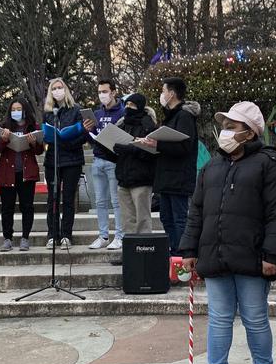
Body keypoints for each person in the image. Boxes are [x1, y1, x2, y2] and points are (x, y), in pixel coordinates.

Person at [179, 102, 276, 364]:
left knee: (255, 319)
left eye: (233, 126)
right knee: (219, 320)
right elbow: (196, 211)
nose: (226, 132)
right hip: (214, 256)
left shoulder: (271, 164)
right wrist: (188, 249)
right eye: (224, 126)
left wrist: (272, 254)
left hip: (253, 258)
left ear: (250, 132)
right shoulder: (211, 167)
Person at [139, 77, 199, 256]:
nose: (162, 94)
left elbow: (185, 147)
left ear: (172, 94)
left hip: (179, 177)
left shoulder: (184, 116)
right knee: (166, 217)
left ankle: (183, 255)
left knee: (179, 219)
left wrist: (158, 144)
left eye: (163, 91)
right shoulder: (170, 116)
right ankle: (174, 252)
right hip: (166, 177)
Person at [43, 78, 92, 249]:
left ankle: (66, 235)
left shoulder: (76, 110)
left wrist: (66, 140)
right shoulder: (48, 112)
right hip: (53, 160)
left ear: (65, 90)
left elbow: (84, 135)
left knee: (69, 199)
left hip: (72, 159)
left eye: (60, 87)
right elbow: (45, 133)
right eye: (54, 88)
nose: (57, 91)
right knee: (52, 198)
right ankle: (52, 235)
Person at [0, 98, 44, 252]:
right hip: (7, 173)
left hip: (26, 173)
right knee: (7, 207)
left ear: (25, 110)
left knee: (27, 206)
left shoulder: (33, 126)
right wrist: (3, 140)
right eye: (13, 109)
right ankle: (7, 238)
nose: (16, 112)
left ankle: (25, 238)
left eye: (19, 109)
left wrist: (33, 143)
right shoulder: (4, 126)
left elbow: (39, 150)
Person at [83, 78, 125, 250]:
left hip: (114, 161)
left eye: (105, 91)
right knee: (100, 201)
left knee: (116, 201)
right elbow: (92, 139)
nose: (102, 95)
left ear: (113, 92)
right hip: (97, 159)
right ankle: (103, 236)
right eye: (100, 92)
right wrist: (88, 130)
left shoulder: (122, 112)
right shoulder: (97, 114)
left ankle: (120, 236)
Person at [113, 94, 157, 235]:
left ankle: (144, 246)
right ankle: (130, 246)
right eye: (126, 104)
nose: (128, 107)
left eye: (131, 105)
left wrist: (131, 148)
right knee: (127, 220)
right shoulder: (122, 124)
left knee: (143, 219)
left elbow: (151, 152)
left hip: (141, 179)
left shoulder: (148, 124)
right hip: (123, 178)